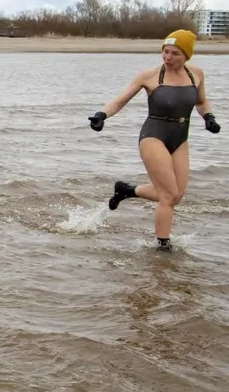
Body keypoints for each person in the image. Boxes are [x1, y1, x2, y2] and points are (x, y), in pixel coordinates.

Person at [89, 29, 218, 251]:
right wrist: (102, 115)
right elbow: (120, 101)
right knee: (168, 195)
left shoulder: (195, 74)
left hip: (180, 137)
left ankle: (127, 191)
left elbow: (201, 102)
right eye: (165, 52)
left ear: (187, 55)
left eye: (175, 53)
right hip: (153, 136)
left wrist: (209, 117)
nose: (168, 58)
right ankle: (163, 246)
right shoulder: (149, 76)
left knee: (176, 195)